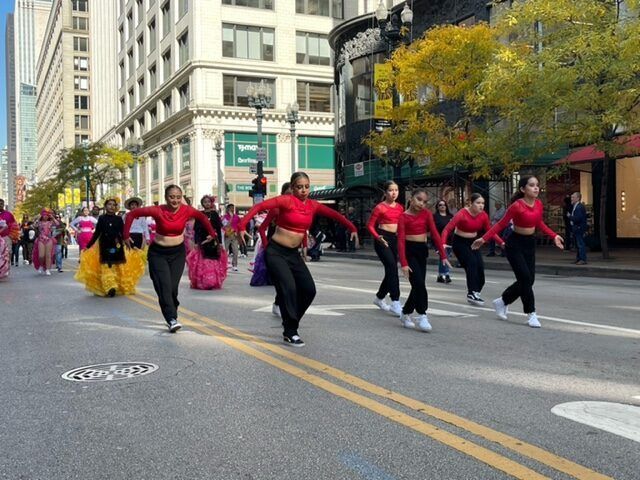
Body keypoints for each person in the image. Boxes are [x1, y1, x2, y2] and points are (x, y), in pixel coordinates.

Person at [238, 172, 358, 347]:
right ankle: (290, 331)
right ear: (293, 188)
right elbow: (259, 207)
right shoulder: (286, 201)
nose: (303, 190)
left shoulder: (313, 205)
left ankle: (291, 323)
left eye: (307, 186)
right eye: (299, 187)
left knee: (309, 290)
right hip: (276, 252)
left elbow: (335, 215)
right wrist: (242, 225)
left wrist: (352, 227)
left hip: (293, 254)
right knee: (289, 288)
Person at [123, 185, 218, 333]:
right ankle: (171, 318)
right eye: (171, 197)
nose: (175, 200)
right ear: (166, 197)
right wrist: (126, 235)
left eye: (178, 197)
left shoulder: (187, 210)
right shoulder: (158, 210)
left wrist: (212, 233)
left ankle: (171, 306)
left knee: (173, 288)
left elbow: (203, 218)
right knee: (164, 286)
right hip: (158, 253)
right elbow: (131, 215)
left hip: (177, 253)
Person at [472, 176, 564, 328]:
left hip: (529, 243)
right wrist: (484, 239)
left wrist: (554, 236)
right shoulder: (516, 206)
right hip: (514, 244)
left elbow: (539, 223)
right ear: (523, 189)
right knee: (526, 278)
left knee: (529, 280)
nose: (536, 188)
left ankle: (502, 301)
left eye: (537, 185)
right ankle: (531, 314)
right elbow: (501, 224)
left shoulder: (539, 204)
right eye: (532, 185)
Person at [397, 188, 450, 332]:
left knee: (418, 285)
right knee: (419, 283)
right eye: (419, 199)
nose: (421, 203)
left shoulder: (426, 214)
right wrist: (404, 264)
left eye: (425, 202)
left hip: (421, 250)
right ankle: (422, 314)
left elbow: (434, 233)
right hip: (409, 251)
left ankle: (406, 312)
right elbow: (401, 241)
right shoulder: (403, 217)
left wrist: (443, 255)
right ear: (411, 198)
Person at [441, 193, 505, 306]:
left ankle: (476, 292)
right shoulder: (462, 214)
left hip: (473, 243)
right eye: (478, 203)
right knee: (472, 263)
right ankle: (472, 293)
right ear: (471, 203)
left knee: (480, 270)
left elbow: (490, 231)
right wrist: (443, 244)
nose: (481, 206)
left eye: (483, 203)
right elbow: (447, 229)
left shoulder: (483, 215)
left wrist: (502, 243)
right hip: (459, 243)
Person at [75, 198, 146, 297]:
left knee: (117, 266)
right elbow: (97, 234)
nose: (111, 206)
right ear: (105, 206)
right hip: (104, 245)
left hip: (117, 246)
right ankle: (110, 287)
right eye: (109, 204)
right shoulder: (102, 218)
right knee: (107, 266)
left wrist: (132, 246)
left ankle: (116, 285)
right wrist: (88, 246)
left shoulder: (119, 219)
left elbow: (124, 234)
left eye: (114, 205)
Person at [366, 180, 404, 315]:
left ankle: (379, 298)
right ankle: (395, 301)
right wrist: (378, 237)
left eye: (396, 190)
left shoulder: (400, 208)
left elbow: (402, 225)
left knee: (391, 270)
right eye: (391, 190)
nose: (394, 193)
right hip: (382, 239)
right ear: (385, 192)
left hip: (395, 239)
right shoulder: (380, 207)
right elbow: (370, 225)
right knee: (392, 268)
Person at [185, 195, 228, 290]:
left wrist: (219, 242)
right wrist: (196, 242)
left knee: (212, 261)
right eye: (205, 202)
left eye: (208, 202)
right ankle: (203, 282)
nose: (207, 203)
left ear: (211, 203)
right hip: (202, 241)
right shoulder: (199, 214)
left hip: (214, 240)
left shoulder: (215, 214)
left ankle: (212, 281)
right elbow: (196, 230)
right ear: (202, 204)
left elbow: (218, 228)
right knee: (202, 262)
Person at [32, 208, 59, 276]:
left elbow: (57, 224)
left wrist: (53, 217)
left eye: (47, 215)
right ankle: (41, 265)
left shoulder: (51, 222)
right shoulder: (39, 222)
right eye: (44, 215)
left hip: (49, 239)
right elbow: (33, 226)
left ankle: (47, 269)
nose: (45, 216)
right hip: (41, 239)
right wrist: (38, 218)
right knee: (41, 256)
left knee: (48, 255)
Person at [433, 199, 453, 283]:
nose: (442, 206)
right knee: (444, 257)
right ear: (437, 207)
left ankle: (440, 276)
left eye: (444, 205)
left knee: (444, 257)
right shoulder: (434, 216)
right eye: (440, 205)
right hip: (439, 240)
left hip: (449, 240)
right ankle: (446, 274)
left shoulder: (450, 216)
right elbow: (432, 230)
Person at [0, 199, 19, 279]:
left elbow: (14, 225)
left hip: (6, 236)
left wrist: (12, 235)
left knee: (8, 252)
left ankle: (6, 268)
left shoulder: (8, 214)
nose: (0, 205)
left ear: (3, 205)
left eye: (1, 203)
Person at [568, 192, 588, 265]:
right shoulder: (576, 206)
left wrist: (570, 216)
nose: (571, 199)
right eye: (571, 197)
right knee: (578, 244)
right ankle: (579, 258)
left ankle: (582, 259)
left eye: (573, 197)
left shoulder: (579, 207)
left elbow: (578, 218)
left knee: (580, 243)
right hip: (577, 228)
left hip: (579, 228)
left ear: (578, 198)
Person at [222, 204, 240, 272]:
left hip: (234, 235)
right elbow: (225, 225)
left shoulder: (237, 217)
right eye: (231, 208)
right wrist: (231, 217)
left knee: (235, 250)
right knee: (225, 251)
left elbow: (239, 226)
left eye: (233, 208)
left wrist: (237, 232)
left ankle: (234, 265)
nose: (232, 210)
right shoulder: (224, 217)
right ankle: (224, 264)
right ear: (227, 209)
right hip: (227, 235)